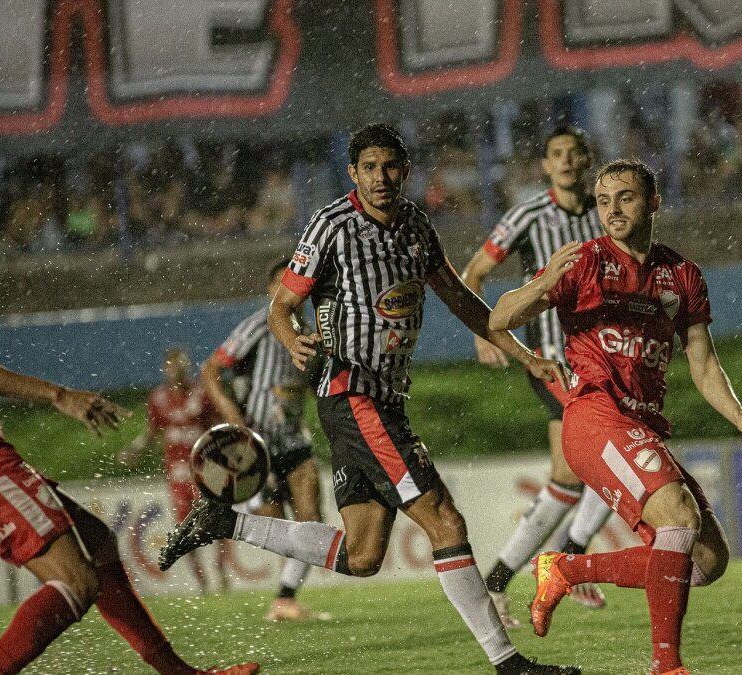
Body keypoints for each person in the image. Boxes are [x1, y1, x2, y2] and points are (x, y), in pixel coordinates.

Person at [158, 124, 580, 675]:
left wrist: (523, 355)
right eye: (370, 168)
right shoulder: (332, 225)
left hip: (383, 399)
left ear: (405, 171)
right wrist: (291, 338)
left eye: (391, 167)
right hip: (354, 394)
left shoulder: (416, 227)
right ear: (354, 172)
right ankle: (508, 664)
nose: (381, 178)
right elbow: (281, 305)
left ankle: (224, 523)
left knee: (362, 555)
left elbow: (458, 296)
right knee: (446, 523)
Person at [489, 158, 742, 675]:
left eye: (625, 197)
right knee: (680, 520)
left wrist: (740, 415)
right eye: (603, 200)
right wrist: (542, 282)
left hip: (640, 426)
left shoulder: (682, 275)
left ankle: (566, 568)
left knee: (707, 562)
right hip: (594, 416)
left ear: (654, 203)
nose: (612, 209)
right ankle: (667, 667)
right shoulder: (582, 262)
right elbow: (498, 319)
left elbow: (704, 364)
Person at [0, 333, 257, 675]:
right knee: (75, 582)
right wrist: (58, 395)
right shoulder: (160, 398)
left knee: (99, 545)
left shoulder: (196, 396)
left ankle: (179, 672)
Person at [460, 125, 611, 626]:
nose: (567, 161)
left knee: (608, 466)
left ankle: (560, 563)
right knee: (581, 471)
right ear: (545, 166)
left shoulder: (604, 212)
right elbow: (474, 271)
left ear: (587, 160)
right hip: (552, 358)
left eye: (574, 153)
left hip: (606, 359)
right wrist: (484, 331)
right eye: (557, 155)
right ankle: (527, 573)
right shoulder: (528, 214)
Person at [200, 258, 329, 622]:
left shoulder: (309, 330)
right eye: (283, 285)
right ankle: (229, 514)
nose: (292, 291)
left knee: (313, 523)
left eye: (298, 284)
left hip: (292, 441)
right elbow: (211, 370)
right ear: (272, 291)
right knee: (275, 522)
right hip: (255, 443)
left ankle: (284, 599)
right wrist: (231, 415)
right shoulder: (258, 325)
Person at [120, 348, 228, 593]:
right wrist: (136, 449)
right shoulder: (158, 398)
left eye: (181, 365)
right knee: (185, 530)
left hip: (205, 471)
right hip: (177, 475)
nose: (177, 370)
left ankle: (221, 574)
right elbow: (152, 432)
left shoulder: (202, 393)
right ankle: (203, 583)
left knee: (214, 524)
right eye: (172, 366)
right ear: (165, 369)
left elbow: (218, 424)